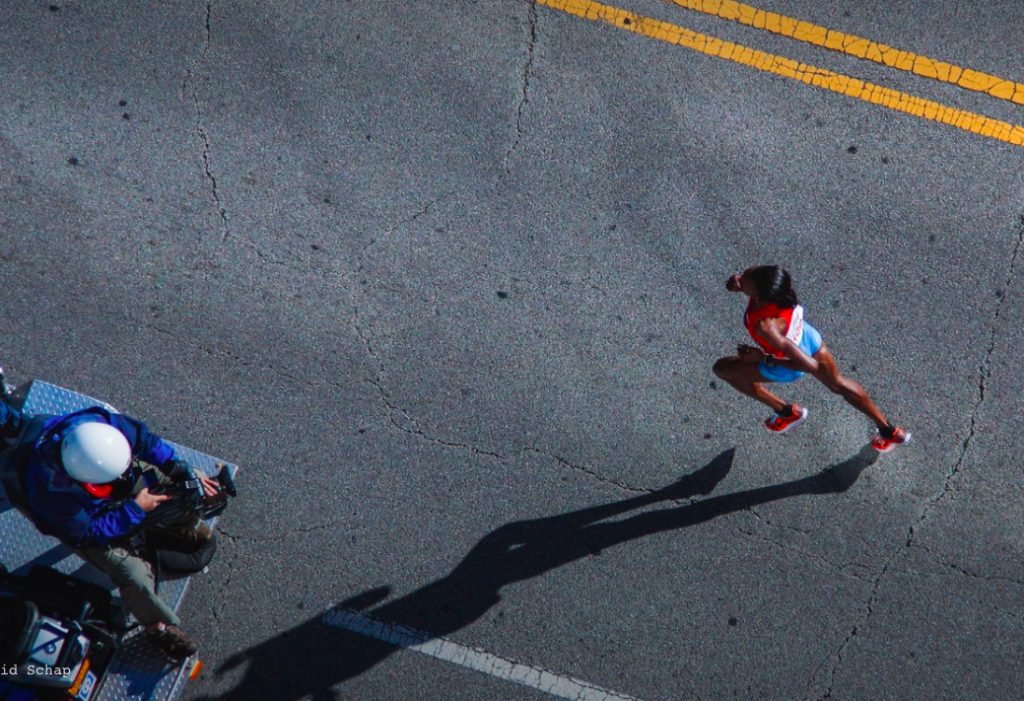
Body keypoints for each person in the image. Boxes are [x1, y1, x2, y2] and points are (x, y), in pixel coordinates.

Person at [0, 401, 222, 660]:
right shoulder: (50, 492)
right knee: (134, 575)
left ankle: (175, 524)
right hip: (88, 519)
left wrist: (176, 467)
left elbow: (145, 441)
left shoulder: (102, 429)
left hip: (116, 483)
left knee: (192, 480)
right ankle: (156, 627)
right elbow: (86, 533)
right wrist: (134, 510)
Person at [712, 265, 910, 452]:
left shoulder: (766, 327)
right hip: (808, 338)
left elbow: (809, 365)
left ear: (761, 294)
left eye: (743, 280)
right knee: (838, 383)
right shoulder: (778, 291)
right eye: (743, 275)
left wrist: (762, 357)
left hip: (788, 363)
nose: (738, 278)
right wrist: (742, 288)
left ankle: (787, 413)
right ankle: (889, 431)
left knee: (722, 369)